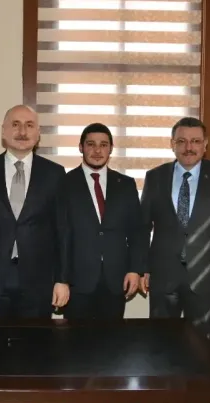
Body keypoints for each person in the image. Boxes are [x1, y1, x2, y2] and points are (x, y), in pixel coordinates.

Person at [139, 117, 210, 342]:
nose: (189, 147)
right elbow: (142, 227)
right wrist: (142, 268)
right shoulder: (155, 177)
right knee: (159, 342)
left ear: (205, 144)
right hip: (162, 278)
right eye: (182, 141)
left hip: (206, 278)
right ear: (172, 144)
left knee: (202, 347)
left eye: (195, 141)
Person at [0, 104, 68, 318]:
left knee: (35, 339)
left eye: (29, 125)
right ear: (3, 131)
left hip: (39, 280)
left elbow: (63, 230)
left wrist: (62, 279)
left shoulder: (55, 174)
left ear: (38, 133)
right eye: (16, 124)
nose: (22, 131)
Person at [57, 123, 145, 319]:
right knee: (76, 337)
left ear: (111, 149)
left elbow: (137, 232)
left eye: (103, 145)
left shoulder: (126, 185)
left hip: (116, 280)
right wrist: (60, 279)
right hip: (77, 281)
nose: (97, 151)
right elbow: (59, 235)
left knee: (112, 337)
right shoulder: (64, 184)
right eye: (91, 144)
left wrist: (135, 269)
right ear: (81, 147)